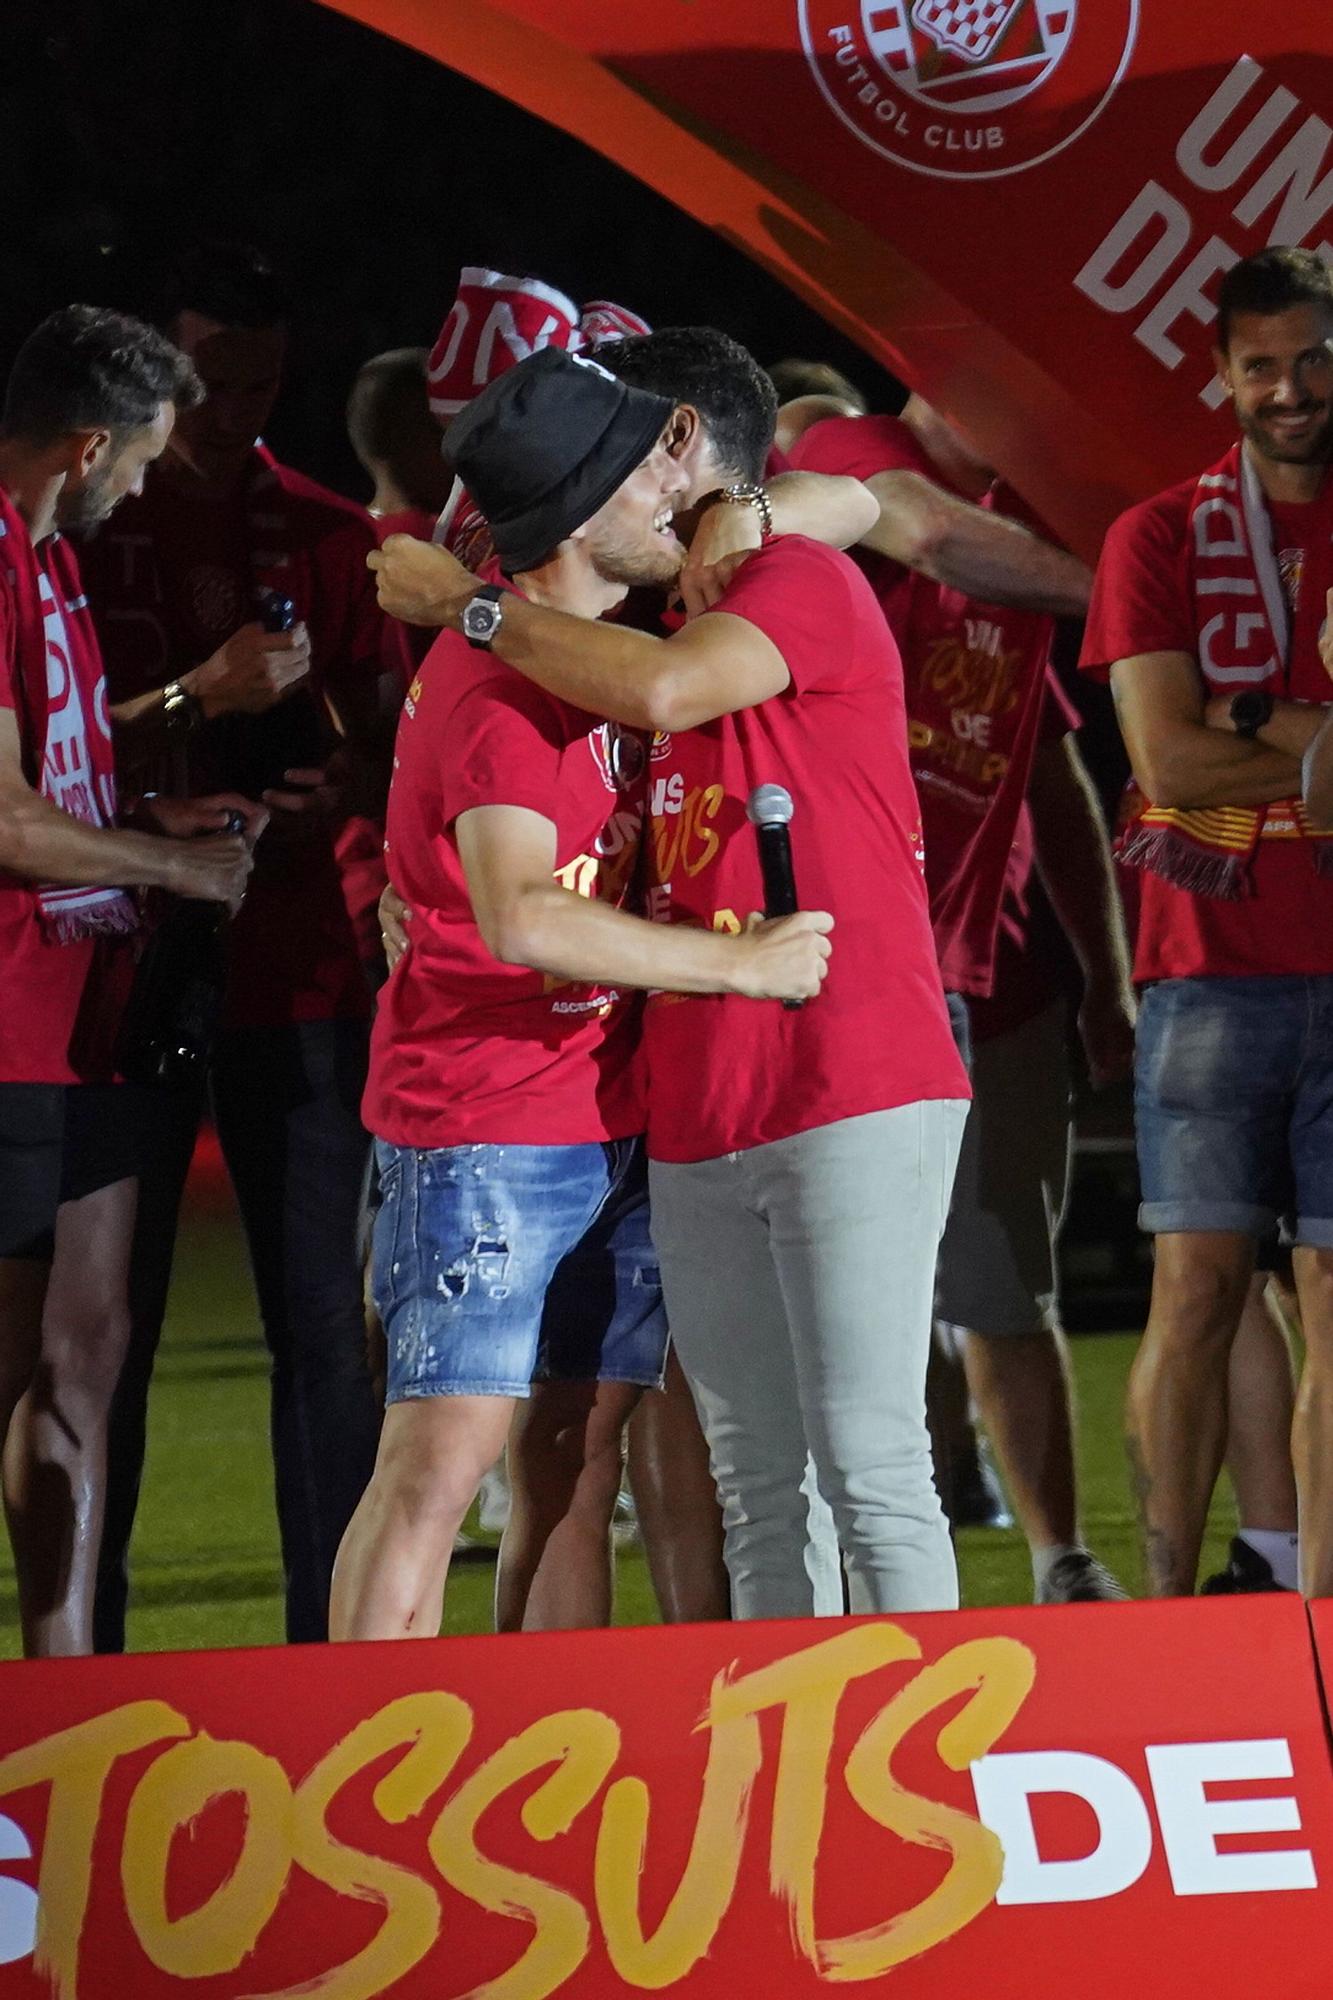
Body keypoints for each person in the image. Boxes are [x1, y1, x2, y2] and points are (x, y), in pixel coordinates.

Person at [370, 329, 971, 1620]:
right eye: (643, 461)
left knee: (869, 1460)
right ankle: (796, 1755)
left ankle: (938, 1766)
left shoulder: (787, 586)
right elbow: (519, 871)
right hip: (685, 1109)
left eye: (669, 452)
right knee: (748, 1476)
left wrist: (461, 602)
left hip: (848, 1080)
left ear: (695, 454)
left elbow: (681, 680)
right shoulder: (573, 645)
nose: (662, 478)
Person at [79, 245, 388, 1647]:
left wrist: (354, 778)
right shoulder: (84, 528)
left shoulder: (331, 530)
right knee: (99, 1342)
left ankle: (327, 1654)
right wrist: (190, 697)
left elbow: (401, 737)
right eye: (213, 382)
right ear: (158, 363)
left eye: (265, 381)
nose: (238, 410)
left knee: (325, 1329)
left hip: (298, 966)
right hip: (113, 969)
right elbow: (49, 760)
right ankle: (87, 1652)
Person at [788, 388, 1134, 1601]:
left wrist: (1103, 971)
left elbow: (1051, 778)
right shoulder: (846, 442)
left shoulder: (1022, 540)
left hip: (972, 977)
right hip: (830, 972)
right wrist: (1140, 595)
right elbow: (921, 529)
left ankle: (1061, 1560)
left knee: (999, 1281)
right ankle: (819, 1574)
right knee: (833, 1294)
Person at [0, 305, 256, 1654]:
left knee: (81, 1357)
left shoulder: (45, 562)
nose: (149, 486)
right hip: (10, 1023)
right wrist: (177, 876)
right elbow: (4, 821)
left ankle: (69, 1681)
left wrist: (161, 823)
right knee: (10, 1375)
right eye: (144, 460)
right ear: (90, 443)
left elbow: (61, 777)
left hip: (81, 1016)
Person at [1082, 245, 1333, 1598]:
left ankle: (1318, 1622)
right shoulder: (1161, 535)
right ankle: (1160, 1616)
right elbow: (1164, 767)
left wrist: (1250, 716)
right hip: (1208, 969)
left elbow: (1200, 738)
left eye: (1310, 360)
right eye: (1261, 366)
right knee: (1193, 1300)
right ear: (1220, 377)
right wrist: (1317, 745)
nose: (1289, 392)